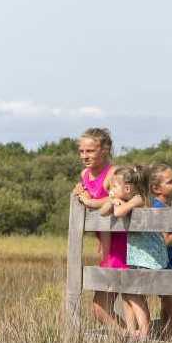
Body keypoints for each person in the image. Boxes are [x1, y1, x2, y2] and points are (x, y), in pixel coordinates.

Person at [72, 128, 130, 331]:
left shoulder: (113, 173)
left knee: (108, 305)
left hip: (121, 244)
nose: (84, 156)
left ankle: (132, 338)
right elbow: (85, 196)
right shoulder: (84, 174)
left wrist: (88, 201)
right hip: (105, 244)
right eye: (81, 151)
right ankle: (130, 337)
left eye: (90, 151)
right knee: (103, 306)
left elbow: (118, 198)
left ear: (104, 149)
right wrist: (80, 192)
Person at [106, 164, 167, 337]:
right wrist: (112, 200)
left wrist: (116, 203)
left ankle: (145, 330)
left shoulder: (139, 199)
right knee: (127, 292)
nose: (111, 189)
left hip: (150, 256)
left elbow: (118, 213)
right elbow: (105, 212)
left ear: (128, 187)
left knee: (134, 294)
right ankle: (133, 332)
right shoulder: (131, 199)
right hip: (138, 256)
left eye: (114, 186)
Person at [148, 163, 172, 338]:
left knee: (169, 310)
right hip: (169, 269)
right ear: (156, 188)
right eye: (170, 182)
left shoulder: (167, 208)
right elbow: (164, 240)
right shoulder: (158, 209)